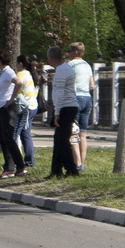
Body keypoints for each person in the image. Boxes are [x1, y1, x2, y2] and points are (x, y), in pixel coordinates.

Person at [0, 49, 26, 179]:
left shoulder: (8, 72)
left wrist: (11, 99)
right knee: (2, 139)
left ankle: (20, 166)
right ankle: (9, 168)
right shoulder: (1, 73)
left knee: (9, 138)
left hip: (8, 109)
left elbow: (18, 83)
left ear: (0, 60)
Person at [47, 46, 79, 177]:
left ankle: (71, 169)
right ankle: (56, 170)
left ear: (51, 58)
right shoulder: (64, 68)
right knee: (58, 139)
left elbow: (60, 93)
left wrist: (57, 113)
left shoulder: (62, 70)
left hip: (66, 107)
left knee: (62, 140)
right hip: (67, 106)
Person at [67, 42, 95, 173]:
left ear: (75, 52)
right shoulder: (87, 65)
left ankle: (77, 163)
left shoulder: (71, 65)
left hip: (75, 98)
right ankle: (82, 163)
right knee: (82, 134)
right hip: (87, 99)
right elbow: (92, 85)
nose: (68, 54)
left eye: (69, 51)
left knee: (73, 133)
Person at [13, 55, 39, 169]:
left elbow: (15, 89)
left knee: (15, 134)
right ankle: (29, 161)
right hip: (33, 106)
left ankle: (16, 160)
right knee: (25, 133)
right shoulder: (29, 74)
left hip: (25, 108)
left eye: (16, 63)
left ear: (20, 64)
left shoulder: (20, 74)